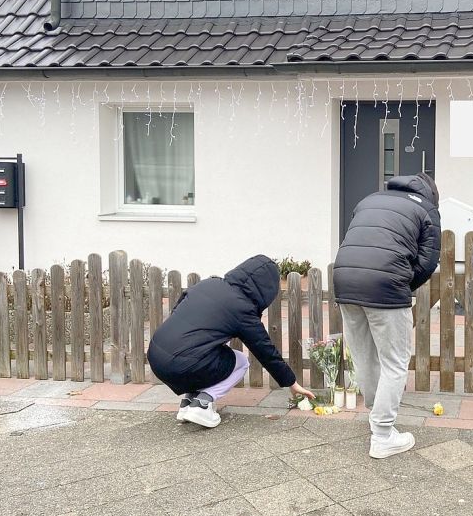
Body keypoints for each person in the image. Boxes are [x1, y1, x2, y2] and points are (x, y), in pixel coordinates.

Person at [332, 173, 441, 459]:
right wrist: (401, 285)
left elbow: (355, 240)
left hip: (344, 279)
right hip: (385, 286)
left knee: (364, 355)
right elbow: (427, 262)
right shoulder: (426, 209)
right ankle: (382, 434)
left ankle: (376, 415)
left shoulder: (370, 199)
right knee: (395, 361)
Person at [147, 255, 315, 428]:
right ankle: (203, 405)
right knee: (241, 362)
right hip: (183, 364)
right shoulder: (242, 308)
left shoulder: (208, 284)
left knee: (203, 350)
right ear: (266, 290)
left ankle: (188, 403)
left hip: (155, 355)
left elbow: (178, 310)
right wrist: (291, 383)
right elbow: (265, 351)